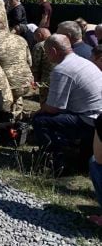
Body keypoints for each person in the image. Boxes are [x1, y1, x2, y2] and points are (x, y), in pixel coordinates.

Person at [32, 34, 102, 175]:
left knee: (41, 121)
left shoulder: (61, 70)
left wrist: (40, 109)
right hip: (98, 115)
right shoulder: (83, 61)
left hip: (89, 119)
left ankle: (56, 163)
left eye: (46, 52)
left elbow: (54, 108)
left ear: (53, 51)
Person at [0, 20, 34, 117]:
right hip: (26, 82)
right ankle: (17, 116)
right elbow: (29, 62)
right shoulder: (21, 39)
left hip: (5, 85)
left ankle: (6, 118)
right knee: (17, 93)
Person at [32, 28, 55, 104]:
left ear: (39, 35)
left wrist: (35, 80)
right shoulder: (60, 41)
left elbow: (35, 65)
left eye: (36, 38)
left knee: (45, 101)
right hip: (62, 77)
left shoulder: (40, 45)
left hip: (47, 79)